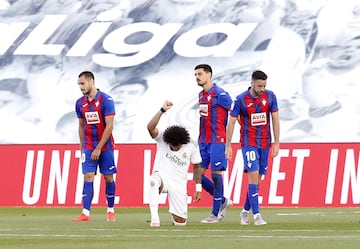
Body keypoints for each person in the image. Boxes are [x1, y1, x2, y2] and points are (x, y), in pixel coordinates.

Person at [225, 70, 280, 225]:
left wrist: (276, 142)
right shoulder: (241, 99)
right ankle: (257, 215)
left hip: (265, 143)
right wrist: (228, 145)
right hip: (249, 143)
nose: (262, 89)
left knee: (258, 180)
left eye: (264, 86)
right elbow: (232, 122)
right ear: (252, 83)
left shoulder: (270, 96)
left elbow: (275, 119)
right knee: (253, 174)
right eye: (259, 86)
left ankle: (244, 212)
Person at [147, 100, 202, 227]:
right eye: (172, 145)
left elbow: (197, 166)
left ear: (183, 142)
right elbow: (150, 127)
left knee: (180, 223)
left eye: (177, 146)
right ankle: (155, 218)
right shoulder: (162, 138)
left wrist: (198, 188)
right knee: (153, 181)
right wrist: (162, 111)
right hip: (163, 177)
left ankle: (176, 217)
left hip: (179, 183)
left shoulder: (192, 145)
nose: (175, 147)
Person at [72, 71, 117, 222]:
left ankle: (110, 210)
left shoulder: (106, 100)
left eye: (82, 83)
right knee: (88, 176)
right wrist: (82, 147)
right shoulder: (80, 103)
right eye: (79, 84)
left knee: (108, 177)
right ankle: (85, 213)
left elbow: (109, 126)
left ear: (91, 81)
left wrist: (98, 148)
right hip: (89, 146)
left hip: (105, 147)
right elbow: (81, 125)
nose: (80, 87)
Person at [195, 64, 233, 223]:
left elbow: (235, 114)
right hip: (203, 141)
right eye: (196, 75)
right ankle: (223, 201)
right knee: (197, 176)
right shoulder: (201, 95)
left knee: (216, 175)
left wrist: (229, 142)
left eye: (200, 74)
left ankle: (215, 213)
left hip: (218, 141)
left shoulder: (221, 94)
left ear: (209, 75)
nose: (197, 77)